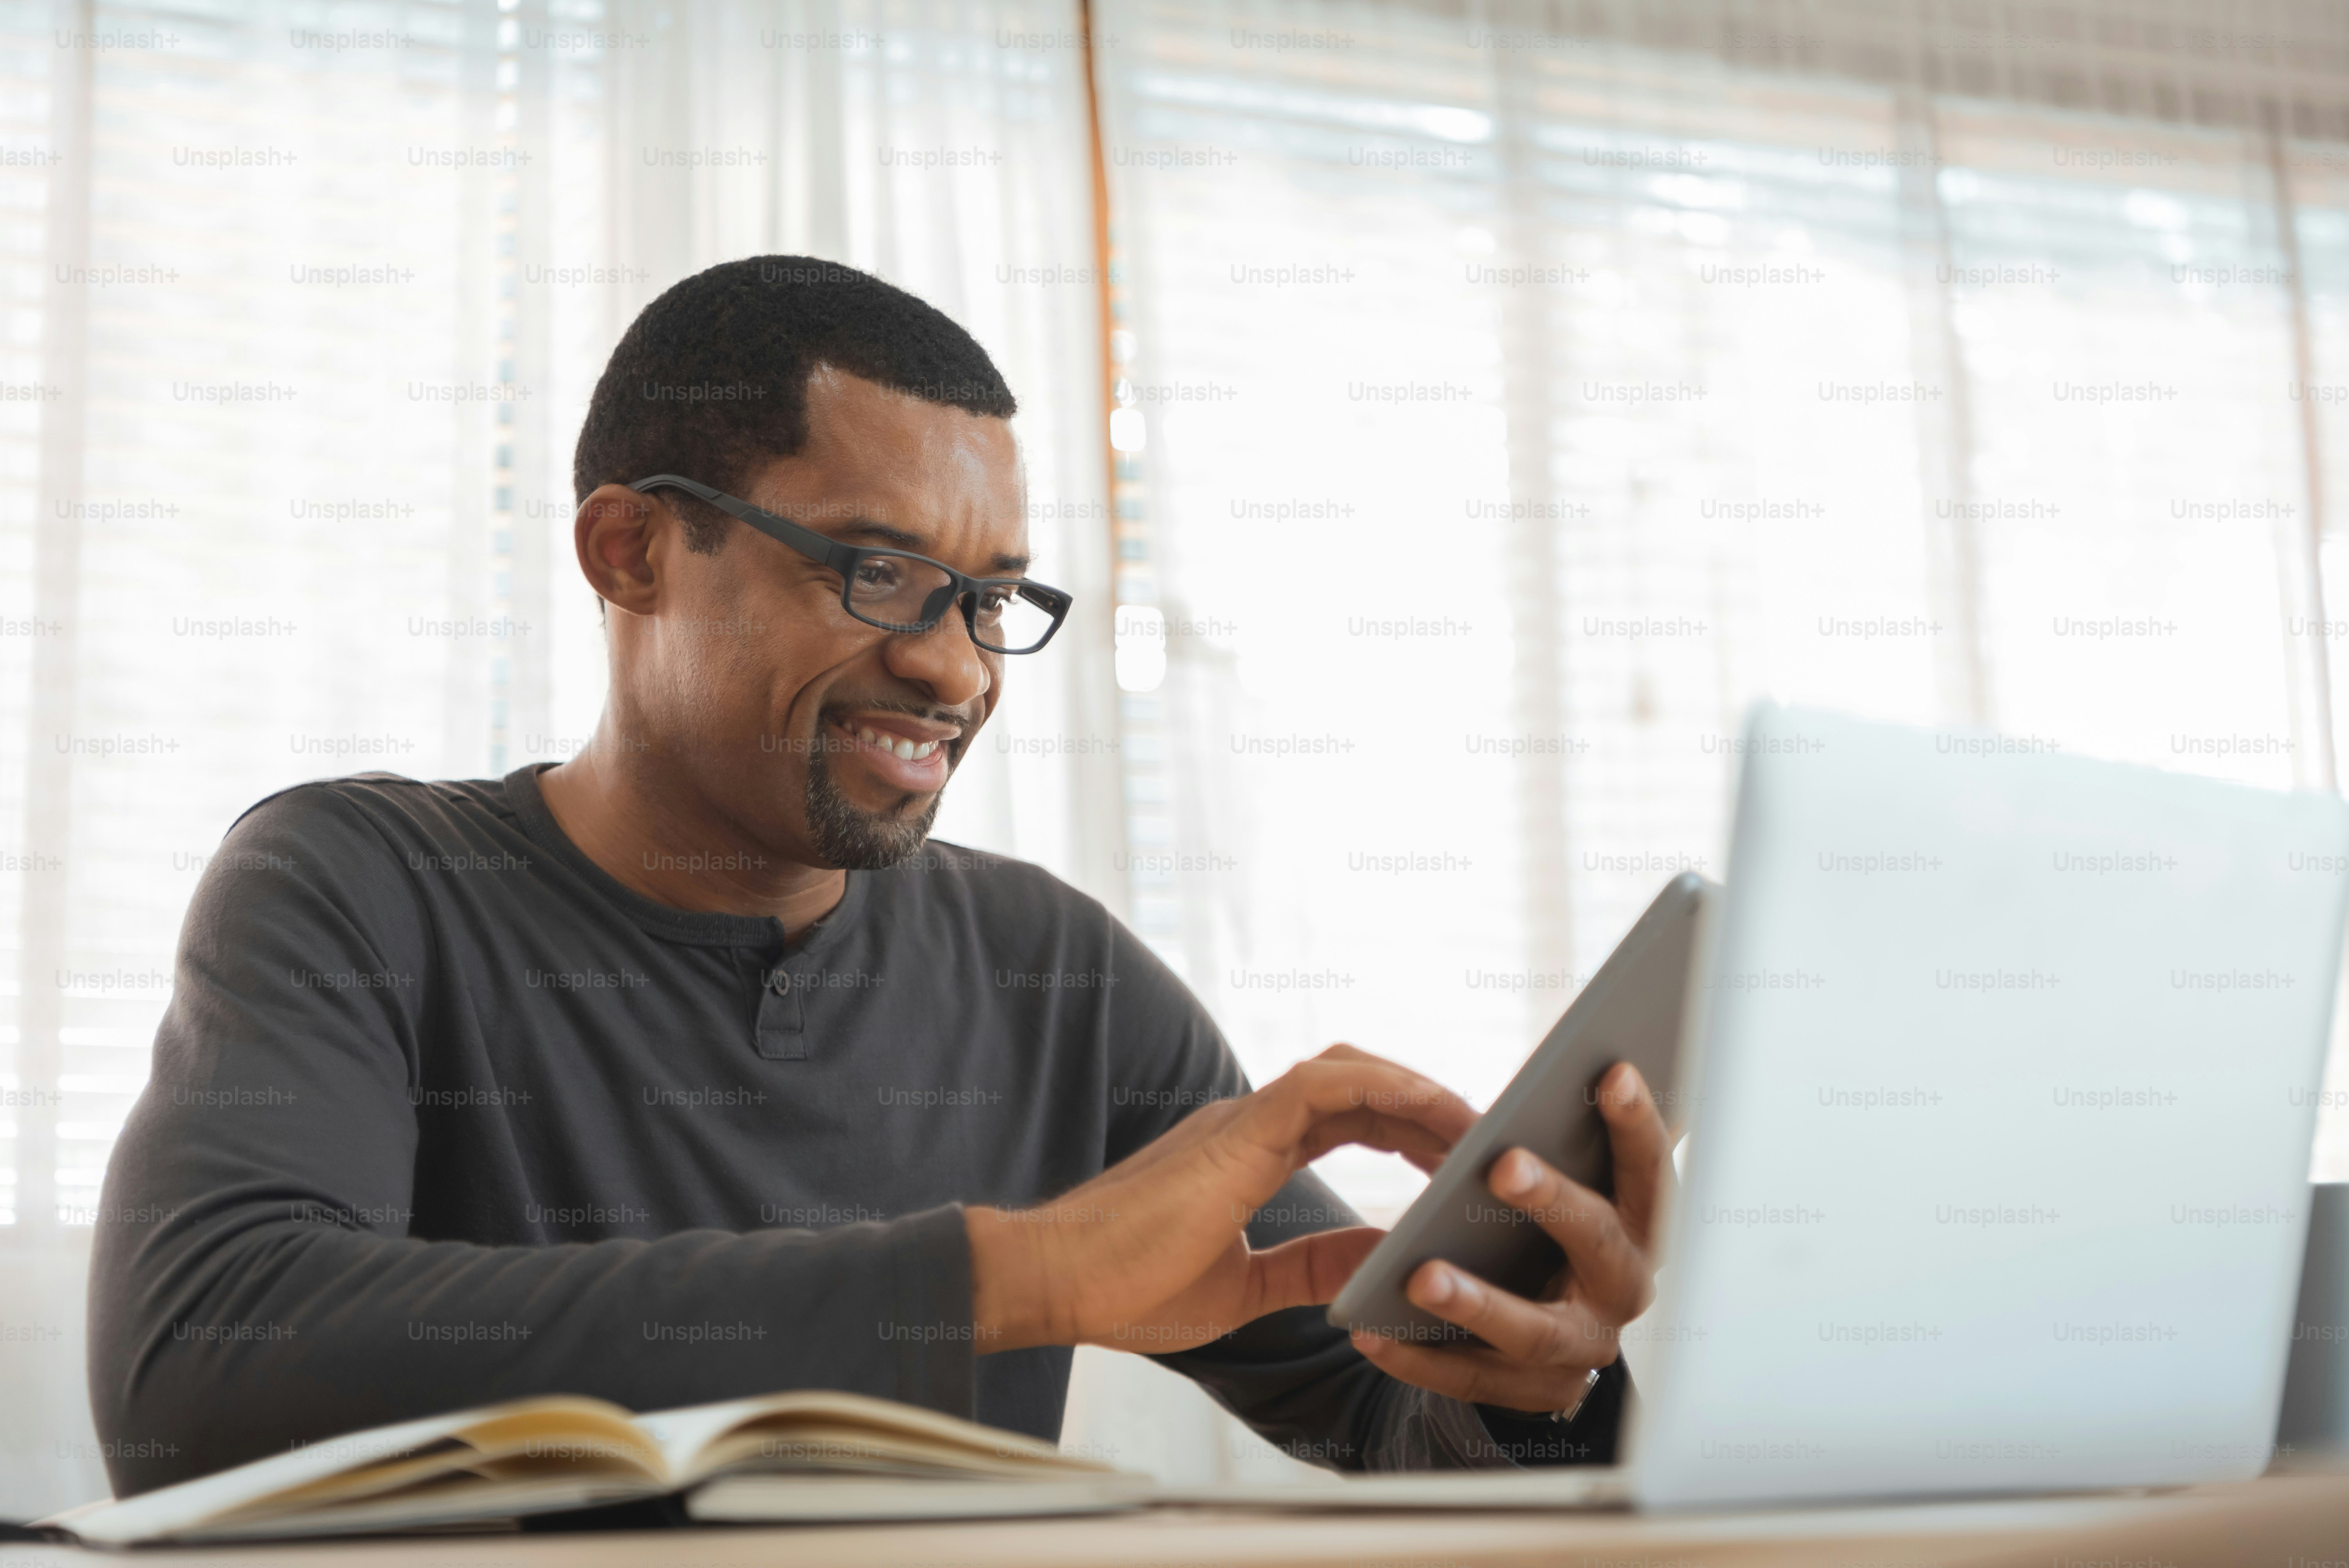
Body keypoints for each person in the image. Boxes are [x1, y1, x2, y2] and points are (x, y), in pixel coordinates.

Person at [87, 258, 1671, 1497]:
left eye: (990, 599)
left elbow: (1382, 1411)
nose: (951, 668)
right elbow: (200, 1367)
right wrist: (1016, 1272)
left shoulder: (1059, 976)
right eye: (878, 571)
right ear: (629, 549)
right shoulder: (359, 883)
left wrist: (1539, 1368)